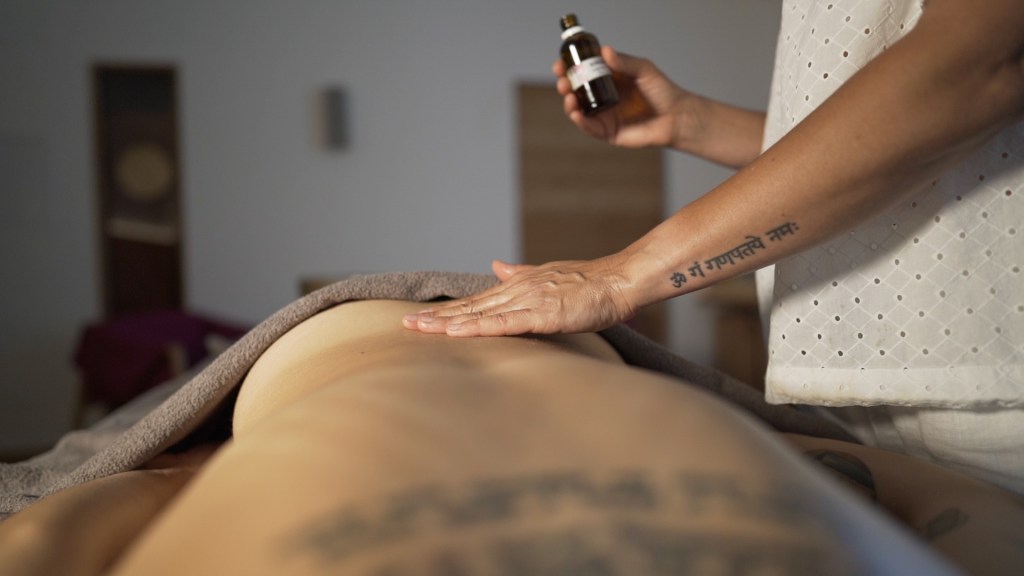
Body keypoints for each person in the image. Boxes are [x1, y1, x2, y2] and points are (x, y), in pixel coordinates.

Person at [403, 1, 1024, 495]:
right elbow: (888, 146)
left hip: (986, 376)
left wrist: (619, 277)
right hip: (851, 377)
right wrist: (693, 121)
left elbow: (983, 63)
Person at [2, 299, 1020, 575]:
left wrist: (162, 476)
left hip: (340, 356)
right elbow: (941, 503)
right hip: (582, 351)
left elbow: (61, 532)